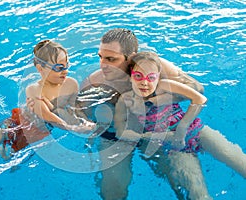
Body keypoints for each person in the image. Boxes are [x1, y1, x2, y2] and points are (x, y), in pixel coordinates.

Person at [76, 28, 212, 200]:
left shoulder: (157, 68)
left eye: (111, 59)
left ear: (131, 57)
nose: (102, 64)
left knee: (193, 191)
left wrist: (158, 98)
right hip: (116, 133)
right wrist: (86, 124)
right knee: (112, 192)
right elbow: (79, 110)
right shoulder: (95, 81)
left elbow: (197, 89)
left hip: (159, 127)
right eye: (100, 57)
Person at [0, 39, 94, 161]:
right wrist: (72, 128)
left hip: (38, 134)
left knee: (12, 161)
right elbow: (47, 116)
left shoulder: (71, 84)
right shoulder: (34, 89)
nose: (65, 71)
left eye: (67, 65)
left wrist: (84, 122)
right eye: (58, 67)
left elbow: (74, 108)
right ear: (40, 68)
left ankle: (5, 150)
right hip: (14, 127)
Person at [114, 52, 246, 180]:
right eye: (138, 76)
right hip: (172, 146)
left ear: (158, 77)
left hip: (195, 131)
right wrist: (148, 136)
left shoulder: (165, 86)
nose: (144, 82)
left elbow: (200, 99)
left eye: (151, 77)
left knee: (241, 164)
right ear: (130, 75)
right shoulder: (125, 101)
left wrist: (182, 129)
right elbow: (120, 133)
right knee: (198, 194)